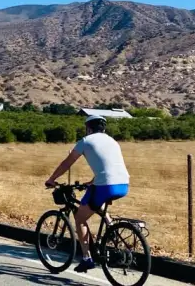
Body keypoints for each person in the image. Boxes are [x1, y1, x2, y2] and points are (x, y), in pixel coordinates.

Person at [45, 115, 130, 273]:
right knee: (96, 198)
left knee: (79, 218)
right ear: (103, 128)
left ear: (88, 128)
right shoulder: (113, 141)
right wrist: (92, 181)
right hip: (123, 184)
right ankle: (111, 229)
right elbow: (108, 166)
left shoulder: (86, 141)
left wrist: (52, 179)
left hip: (106, 185)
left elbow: (67, 163)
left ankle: (86, 259)